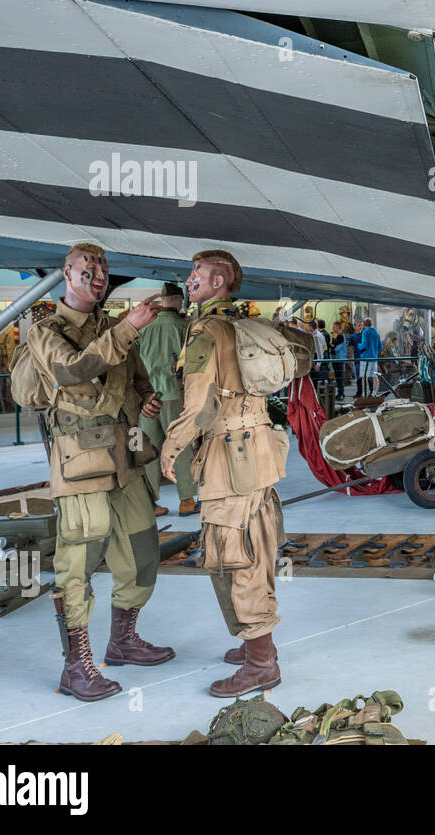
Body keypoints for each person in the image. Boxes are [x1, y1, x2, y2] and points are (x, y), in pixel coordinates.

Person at [26, 243, 174, 701]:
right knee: (79, 558)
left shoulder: (112, 327)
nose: (98, 276)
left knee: (142, 545)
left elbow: (138, 381)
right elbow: (72, 371)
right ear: (66, 275)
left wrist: (146, 400)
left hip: (123, 454)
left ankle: (123, 640)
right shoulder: (45, 329)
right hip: (80, 459)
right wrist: (128, 328)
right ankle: (77, 666)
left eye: (104, 269)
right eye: (87, 269)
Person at [161, 250, 288, 697]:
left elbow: (196, 405)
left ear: (217, 281)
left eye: (197, 274)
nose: (189, 280)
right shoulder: (243, 325)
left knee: (237, 556)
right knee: (259, 546)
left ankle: (260, 662)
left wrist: (170, 446)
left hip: (228, 461)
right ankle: (255, 644)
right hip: (259, 453)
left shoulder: (206, 331)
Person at [137, 282, 197, 517]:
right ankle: (187, 500)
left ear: (162, 301)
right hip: (174, 395)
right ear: (180, 300)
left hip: (147, 397)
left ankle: (150, 503)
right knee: (179, 446)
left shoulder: (145, 327)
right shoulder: (185, 326)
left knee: (149, 450)